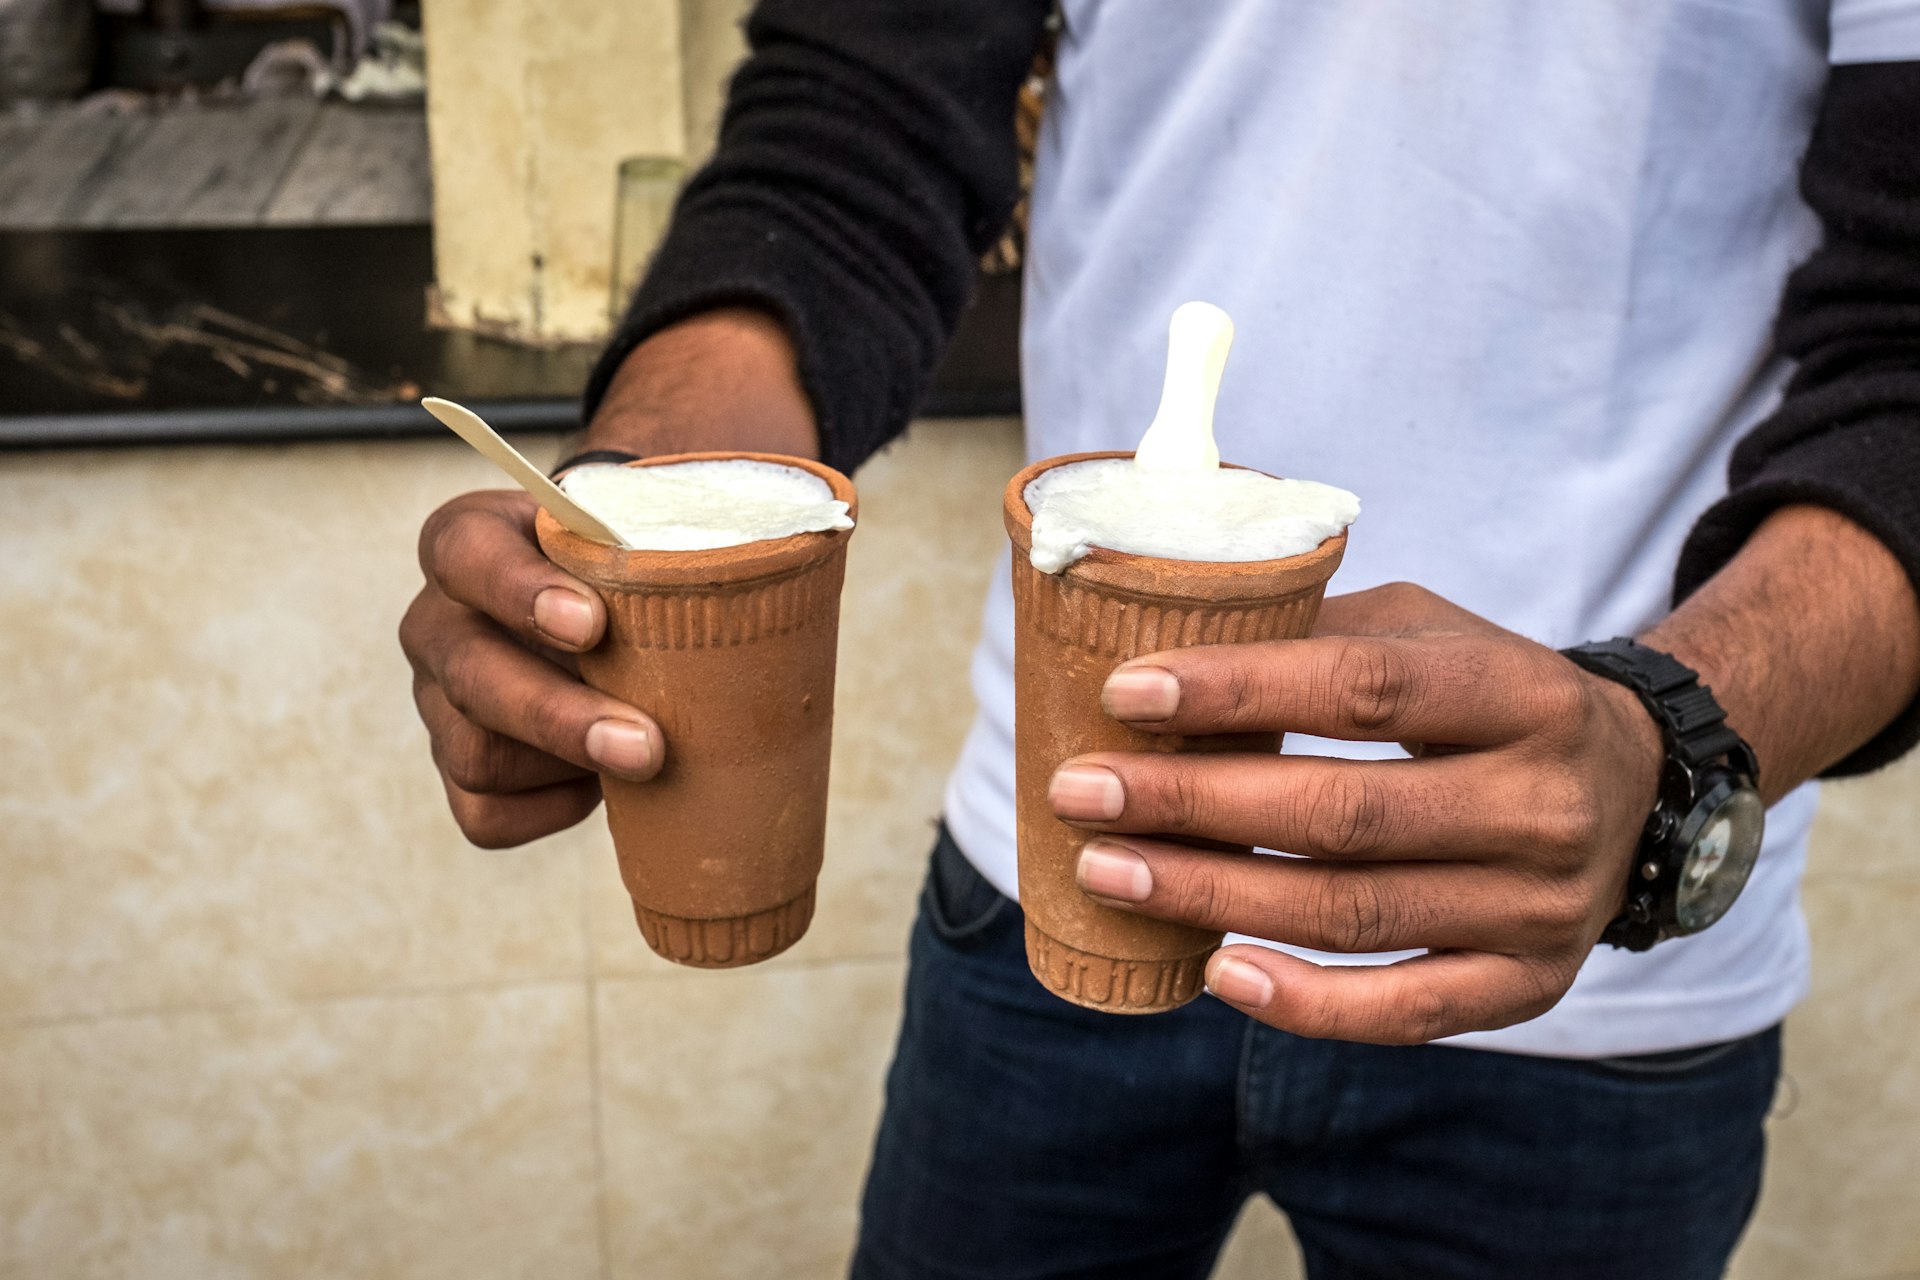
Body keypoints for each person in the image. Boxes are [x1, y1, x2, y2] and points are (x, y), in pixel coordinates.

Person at [397, 3, 1920, 1276]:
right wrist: (648, 514)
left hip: (1578, 963)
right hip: (1053, 877)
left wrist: (1669, 737)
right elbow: (850, 128)